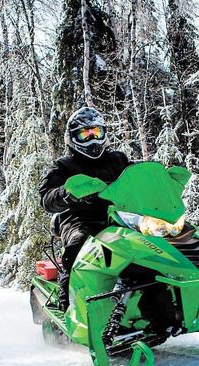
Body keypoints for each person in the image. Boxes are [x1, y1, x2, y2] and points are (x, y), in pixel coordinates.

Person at [39, 107, 131, 310]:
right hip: (79, 218)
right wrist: (66, 193)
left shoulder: (118, 160)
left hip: (120, 217)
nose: (92, 140)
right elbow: (46, 197)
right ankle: (68, 303)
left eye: (95, 133)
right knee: (79, 244)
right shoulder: (64, 166)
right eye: (85, 134)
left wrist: (162, 179)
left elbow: (137, 177)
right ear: (73, 138)